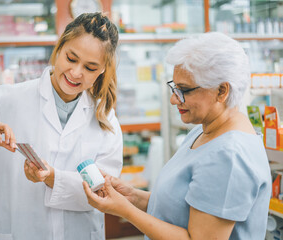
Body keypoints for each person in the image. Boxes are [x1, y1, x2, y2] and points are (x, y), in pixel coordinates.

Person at [0, 12, 122, 240]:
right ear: (59, 48)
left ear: (102, 70)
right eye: (71, 58)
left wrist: (53, 178)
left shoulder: (105, 116)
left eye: (90, 68)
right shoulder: (6, 99)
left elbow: (104, 191)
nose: (76, 72)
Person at [83, 32, 271, 240]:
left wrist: (126, 212)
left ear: (221, 91)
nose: (174, 99)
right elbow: (183, 208)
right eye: (174, 87)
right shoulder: (204, 130)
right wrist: (133, 197)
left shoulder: (229, 156)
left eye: (184, 90)